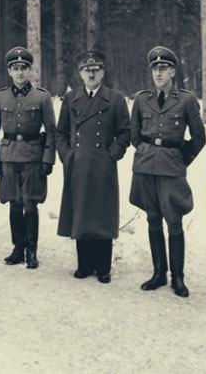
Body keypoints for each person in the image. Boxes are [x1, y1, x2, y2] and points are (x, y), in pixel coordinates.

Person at [129, 46, 206, 297]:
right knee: (153, 219)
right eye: (155, 69)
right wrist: (145, 151)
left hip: (172, 167)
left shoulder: (185, 99)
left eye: (163, 68)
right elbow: (134, 135)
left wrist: (181, 158)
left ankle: (178, 277)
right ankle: (158, 273)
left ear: (173, 71)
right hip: (145, 167)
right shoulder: (141, 99)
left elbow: (199, 138)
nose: (158, 73)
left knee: (174, 221)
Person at [56, 49, 130, 283]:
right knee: (81, 213)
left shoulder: (116, 98)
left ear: (103, 73)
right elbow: (60, 132)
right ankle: (84, 264)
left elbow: (125, 133)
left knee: (102, 214)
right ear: (80, 73)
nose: (91, 74)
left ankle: (103, 267)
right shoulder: (70, 98)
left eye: (96, 70)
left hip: (103, 164)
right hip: (78, 163)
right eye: (87, 70)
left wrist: (112, 155)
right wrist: (68, 155)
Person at [0, 47, 56, 269]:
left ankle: (31, 251)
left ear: (30, 70)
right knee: (14, 202)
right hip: (8, 155)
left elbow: (52, 131)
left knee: (30, 203)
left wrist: (48, 159)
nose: (19, 73)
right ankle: (18, 248)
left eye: (23, 68)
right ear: (9, 71)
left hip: (33, 155)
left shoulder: (42, 97)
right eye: (15, 68)